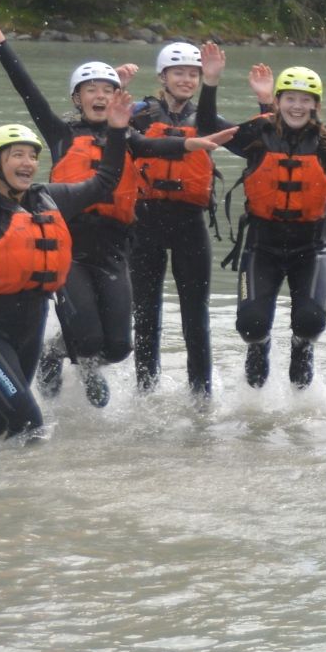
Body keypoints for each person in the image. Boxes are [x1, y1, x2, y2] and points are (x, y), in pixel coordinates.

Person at [0, 0, 224, 407]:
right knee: (88, 338)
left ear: (118, 99)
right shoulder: (60, 134)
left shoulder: (127, 138)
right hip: (71, 250)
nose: (99, 95)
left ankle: (64, 354)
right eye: (91, 90)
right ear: (77, 98)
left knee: (117, 346)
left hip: (116, 250)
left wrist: (197, 145)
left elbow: (164, 149)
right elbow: (24, 86)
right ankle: (65, 355)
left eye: (107, 89)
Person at [0, 95, 137, 437]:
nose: (28, 162)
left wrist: (117, 131)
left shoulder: (52, 198)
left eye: (32, 156)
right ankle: (25, 491)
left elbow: (105, 182)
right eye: (17, 155)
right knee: (30, 425)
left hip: (29, 328)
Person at [199, 43, 326, 388]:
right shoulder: (254, 137)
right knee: (252, 328)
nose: (298, 105)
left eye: (306, 99)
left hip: (311, 249)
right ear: (277, 102)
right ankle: (259, 351)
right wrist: (211, 81)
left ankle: (302, 349)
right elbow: (205, 126)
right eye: (290, 98)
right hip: (262, 248)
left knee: (310, 323)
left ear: (316, 105)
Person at [127, 41, 222, 400]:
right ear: (162, 77)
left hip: (190, 225)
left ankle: (201, 397)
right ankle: (145, 394)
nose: (186, 79)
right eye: (178, 72)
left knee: (196, 319)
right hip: (144, 223)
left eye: (193, 74)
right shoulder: (140, 114)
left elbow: (247, 137)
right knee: (146, 316)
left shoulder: (207, 118)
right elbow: (104, 124)